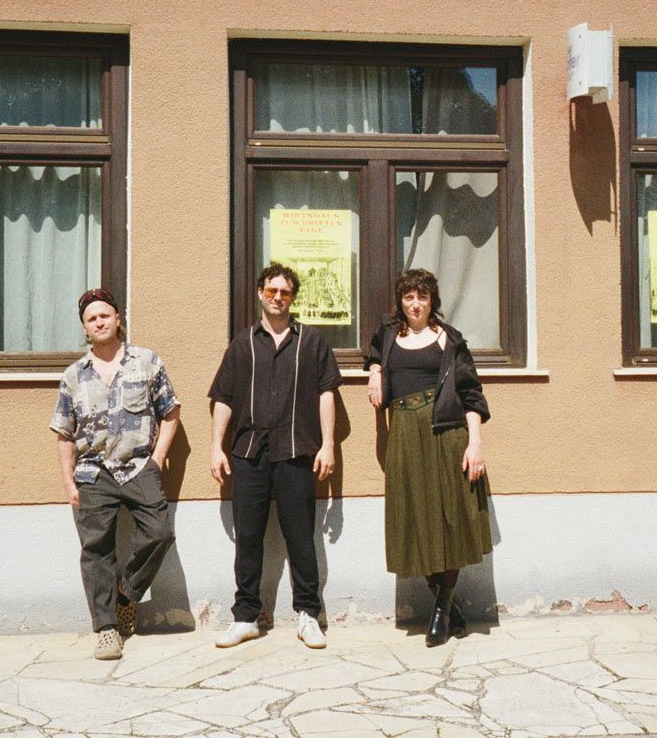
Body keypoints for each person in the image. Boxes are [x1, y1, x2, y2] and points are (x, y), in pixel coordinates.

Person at [208, 262, 341, 649]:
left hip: (297, 450)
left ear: (292, 297)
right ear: (259, 294)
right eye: (271, 291)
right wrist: (216, 446)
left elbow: (327, 394)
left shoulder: (312, 342)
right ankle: (246, 616)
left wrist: (328, 444)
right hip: (248, 452)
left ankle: (308, 615)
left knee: (301, 536)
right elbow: (223, 398)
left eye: (284, 292)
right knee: (248, 537)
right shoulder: (242, 343)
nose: (277, 298)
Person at [50, 288, 180, 661]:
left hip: (140, 466)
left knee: (160, 532)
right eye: (92, 319)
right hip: (92, 472)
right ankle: (107, 629)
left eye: (105, 315)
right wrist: (68, 481)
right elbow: (63, 434)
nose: (99, 322)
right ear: (85, 329)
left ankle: (126, 592)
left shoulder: (147, 362)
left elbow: (171, 414)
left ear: (118, 319)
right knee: (96, 551)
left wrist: (156, 461)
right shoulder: (74, 375)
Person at [365, 268, 492, 647]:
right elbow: (372, 354)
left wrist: (475, 443)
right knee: (415, 519)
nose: (415, 304)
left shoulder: (450, 340)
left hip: (447, 433)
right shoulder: (387, 335)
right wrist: (374, 370)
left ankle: (440, 609)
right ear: (400, 302)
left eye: (422, 297)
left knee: (451, 519)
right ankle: (448, 605)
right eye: (408, 298)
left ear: (432, 300)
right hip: (404, 433)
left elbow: (470, 394)